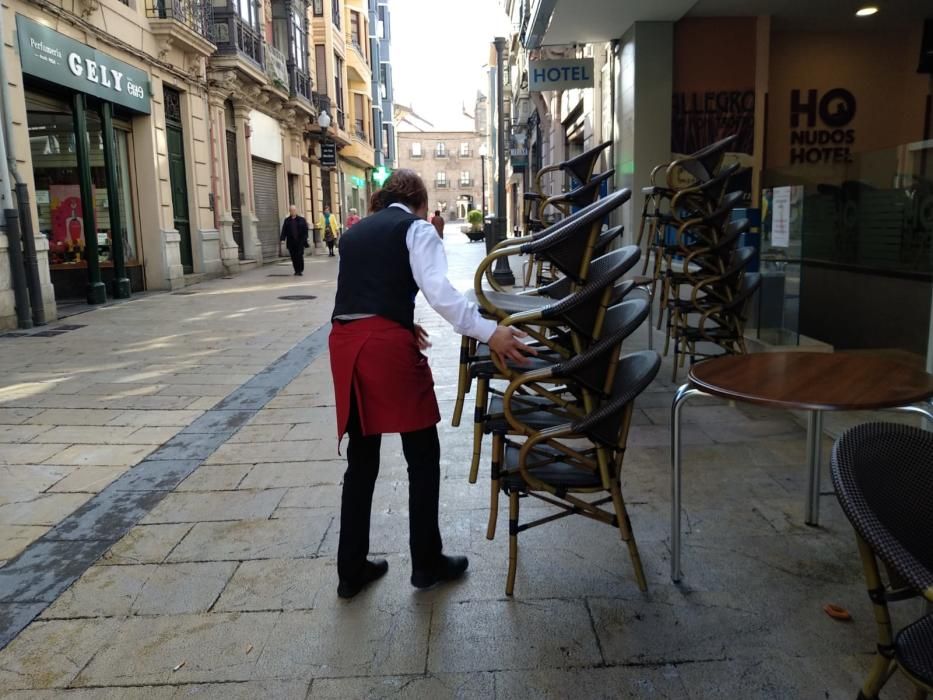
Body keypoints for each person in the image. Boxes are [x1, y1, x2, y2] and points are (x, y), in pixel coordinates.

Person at [329, 169, 535, 599]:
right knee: (422, 454)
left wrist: (403, 323)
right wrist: (488, 331)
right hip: (384, 348)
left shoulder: (354, 234)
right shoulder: (416, 228)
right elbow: (439, 292)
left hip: (345, 345)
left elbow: (362, 298)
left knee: (362, 460)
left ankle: (350, 570)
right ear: (420, 202)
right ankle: (426, 563)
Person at [280, 205, 309, 276]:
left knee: (299, 255)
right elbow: (284, 230)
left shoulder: (302, 219)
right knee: (293, 257)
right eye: (291, 210)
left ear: (296, 211)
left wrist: (305, 238)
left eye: (294, 210)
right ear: (289, 211)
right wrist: (282, 239)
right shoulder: (287, 220)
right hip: (291, 242)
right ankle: (296, 270)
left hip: (300, 241)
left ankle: (300, 270)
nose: (293, 212)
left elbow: (305, 230)